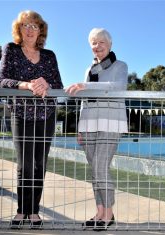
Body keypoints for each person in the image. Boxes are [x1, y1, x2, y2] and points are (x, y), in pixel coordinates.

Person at [0, 10, 63, 228]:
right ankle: (21, 211)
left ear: (40, 30)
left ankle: (33, 212)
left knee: (39, 164)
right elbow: (2, 80)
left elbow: (59, 87)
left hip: (47, 115)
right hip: (20, 114)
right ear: (19, 29)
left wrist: (47, 85)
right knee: (24, 164)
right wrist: (25, 85)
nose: (30, 30)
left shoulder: (50, 55)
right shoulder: (11, 50)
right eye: (25, 25)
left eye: (34, 26)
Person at [65, 28, 128, 231]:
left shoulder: (120, 65)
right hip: (89, 124)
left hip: (111, 122)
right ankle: (99, 212)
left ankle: (109, 214)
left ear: (110, 45)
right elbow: (84, 100)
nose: (97, 46)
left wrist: (85, 86)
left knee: (101, 168)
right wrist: (81, 128)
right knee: (95, 171)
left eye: (101, 42)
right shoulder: (89, 69)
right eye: (93, 42)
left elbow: (118, 87)